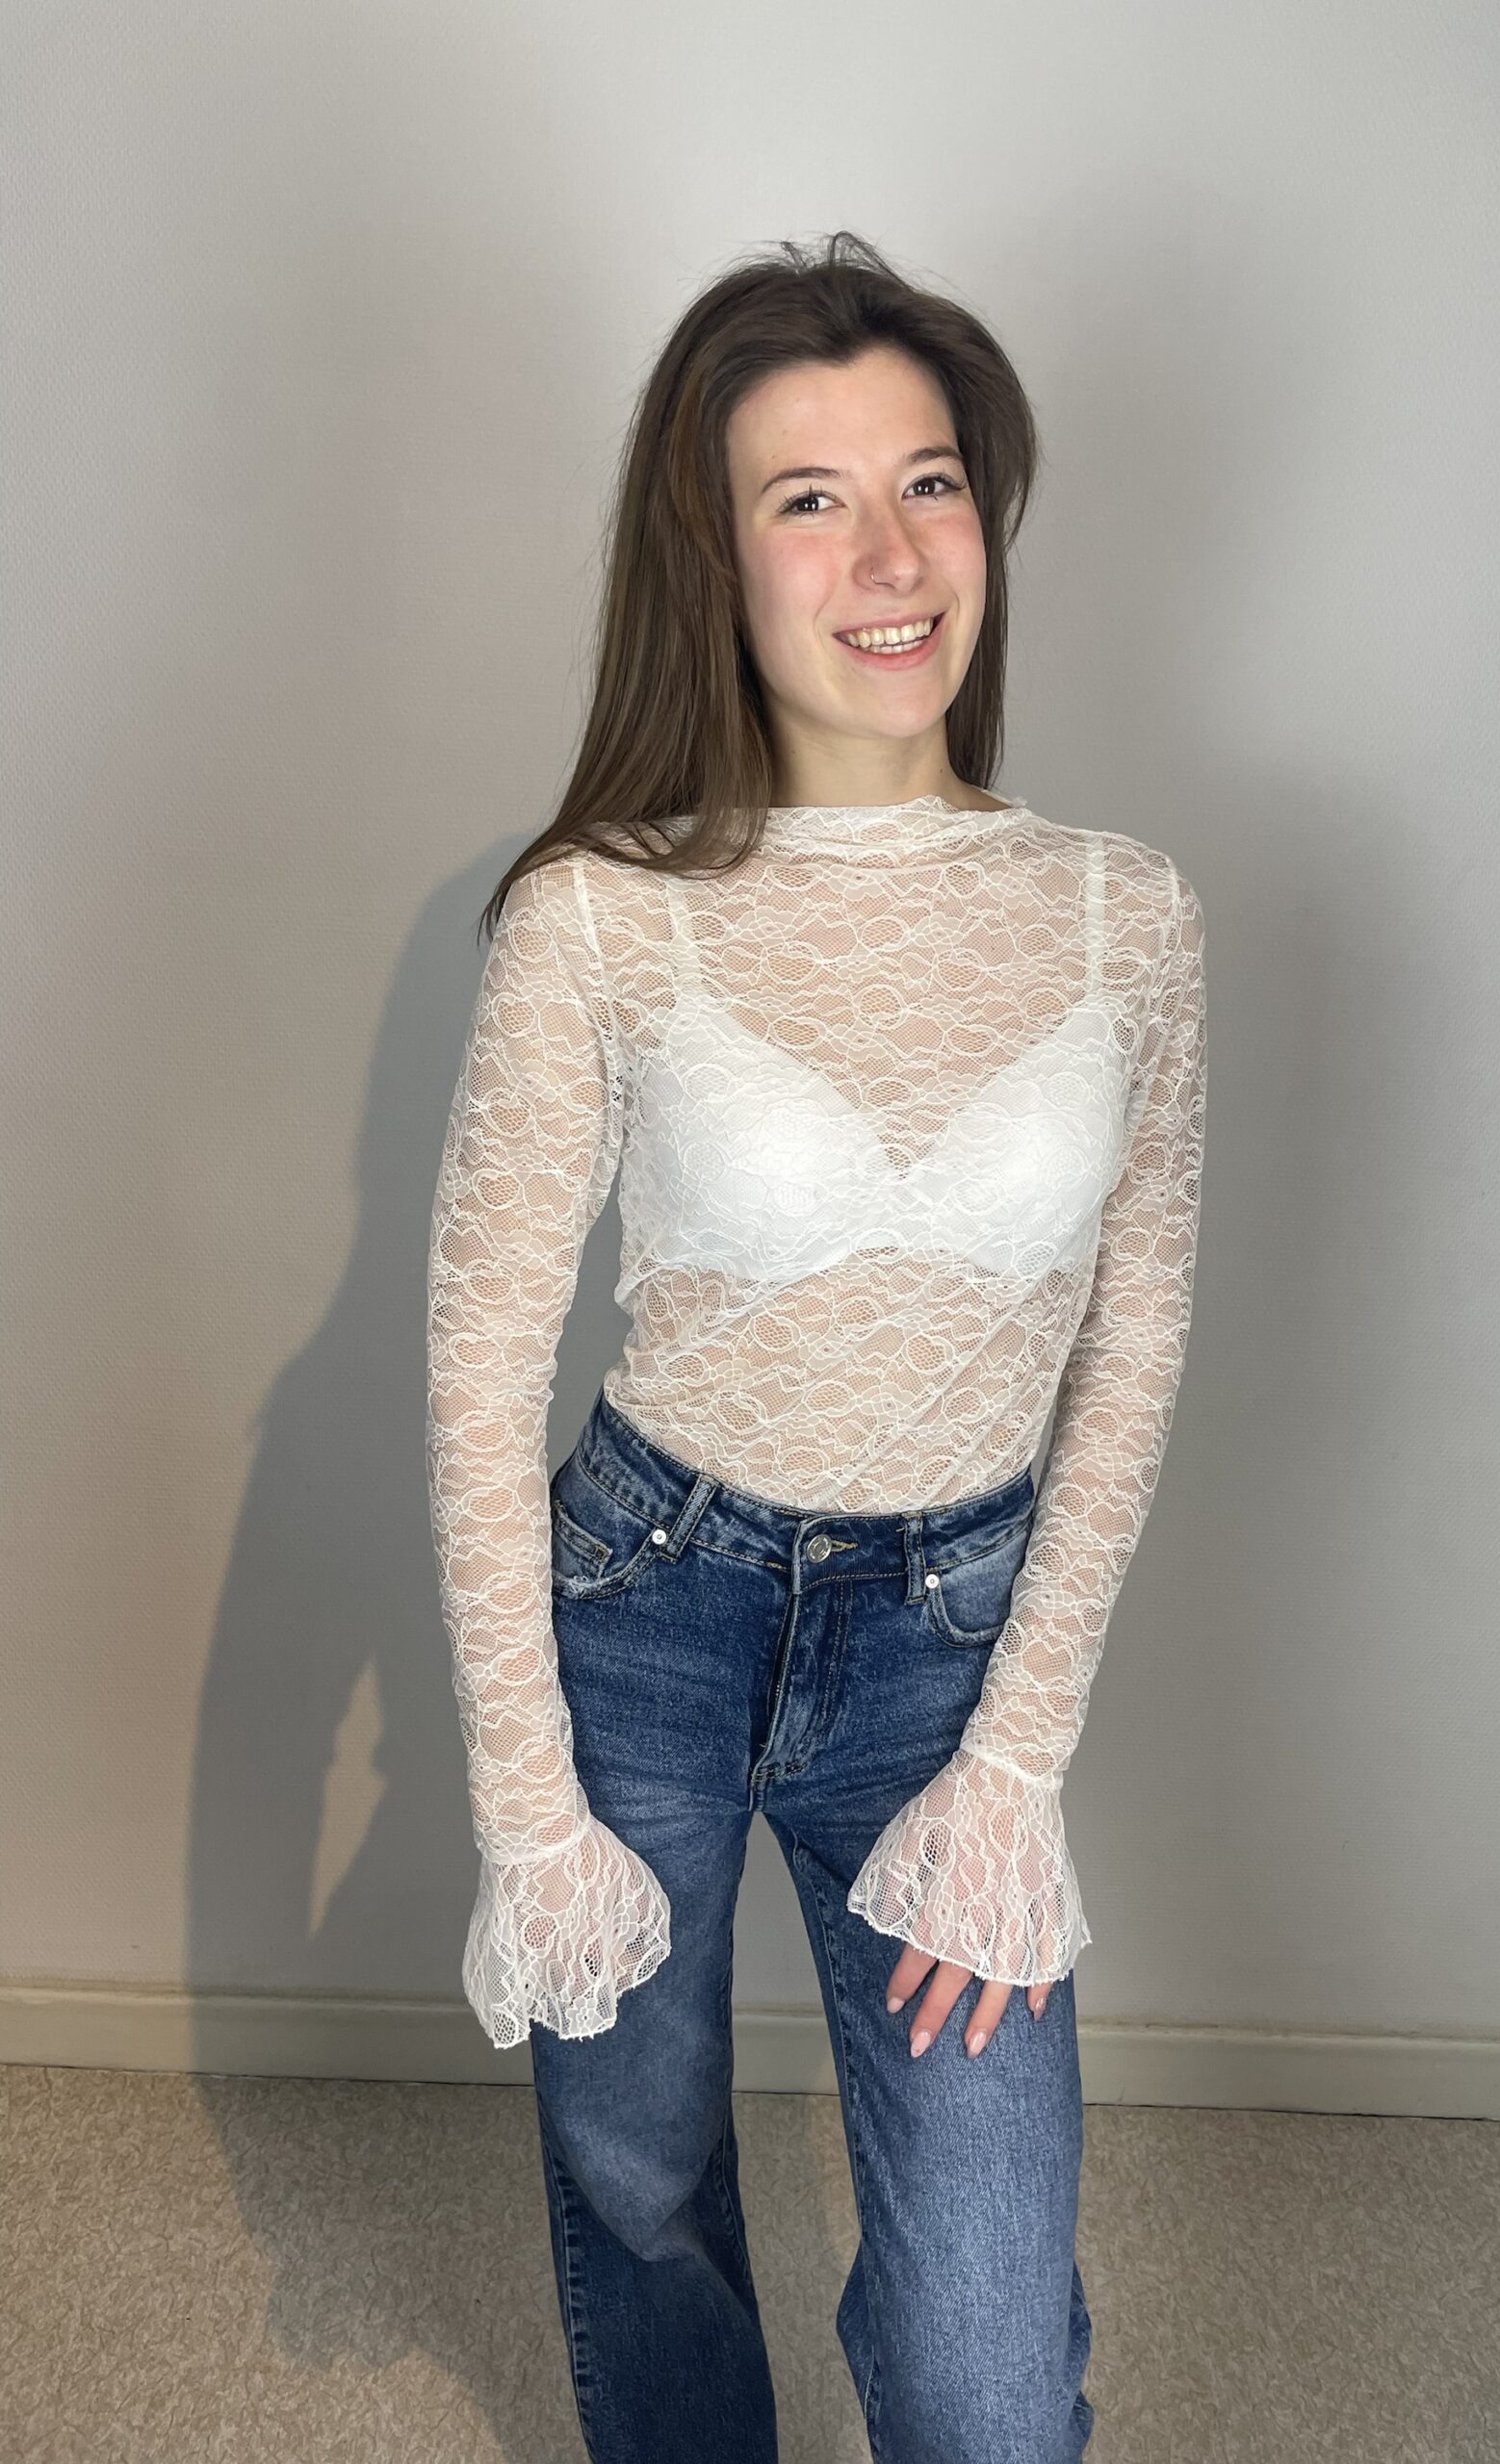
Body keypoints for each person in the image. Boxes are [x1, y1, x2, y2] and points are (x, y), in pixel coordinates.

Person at [424, 230, 1207, 2464]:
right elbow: (480, 1358)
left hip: (951, 1640)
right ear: (716, 557)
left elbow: (1136, 1334)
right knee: (638, 2177)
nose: (890, 555)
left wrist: (1014, 1759)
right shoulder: (599, 911)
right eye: (810, 498)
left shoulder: (1128, 913)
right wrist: (527, 1803)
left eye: (930, 483)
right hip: (644, 1608)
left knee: (985, 2379)